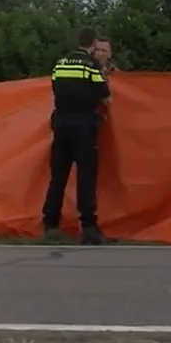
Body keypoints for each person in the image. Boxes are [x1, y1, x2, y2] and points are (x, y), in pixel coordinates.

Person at [43, 27, 111, 245]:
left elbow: (55, 87)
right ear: (92, 45)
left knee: (58, 176)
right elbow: (105, 94)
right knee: (85, 177)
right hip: (83, 125)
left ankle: (50, 224)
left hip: (61, 124)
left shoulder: (60, 64)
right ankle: (89, 227)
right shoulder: (91, 66)